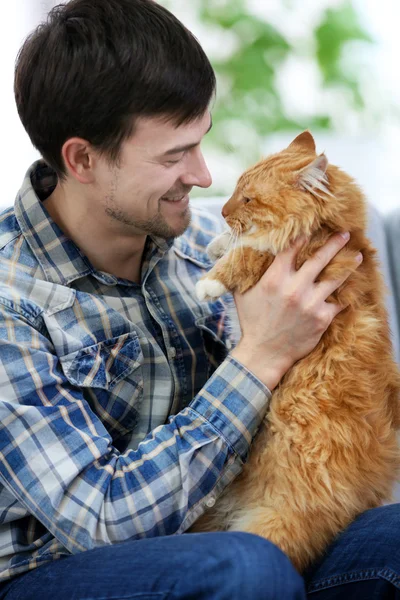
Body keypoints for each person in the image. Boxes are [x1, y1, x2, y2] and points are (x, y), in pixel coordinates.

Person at [0, 0, 398, 598]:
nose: (206, 176)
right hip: (62, 566)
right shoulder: (11, 300)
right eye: (173, 156)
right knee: (244, 568)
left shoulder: (208, 244)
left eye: (201, 140)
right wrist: (260, 355)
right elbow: (102, 518)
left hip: (239, 520)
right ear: (81, 158)